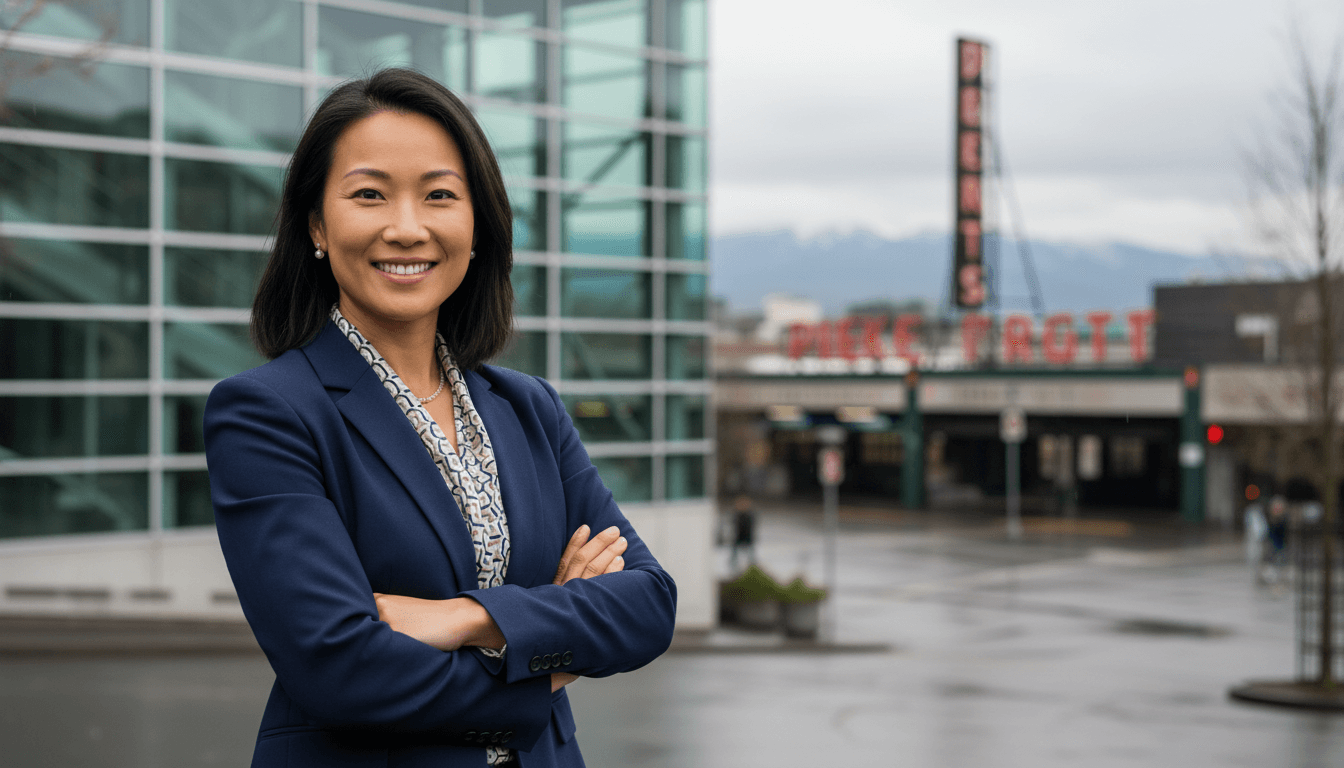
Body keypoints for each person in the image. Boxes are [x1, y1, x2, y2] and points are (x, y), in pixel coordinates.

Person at [204, 68, 676, 767]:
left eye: (440, 196)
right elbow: (341, 668)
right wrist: (546, 659)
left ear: (477, 225)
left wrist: (467, 618)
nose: (406, 228)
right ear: (316, 227)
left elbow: (646, 603)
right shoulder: (268, 413)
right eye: (369, 195)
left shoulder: (528, 408)